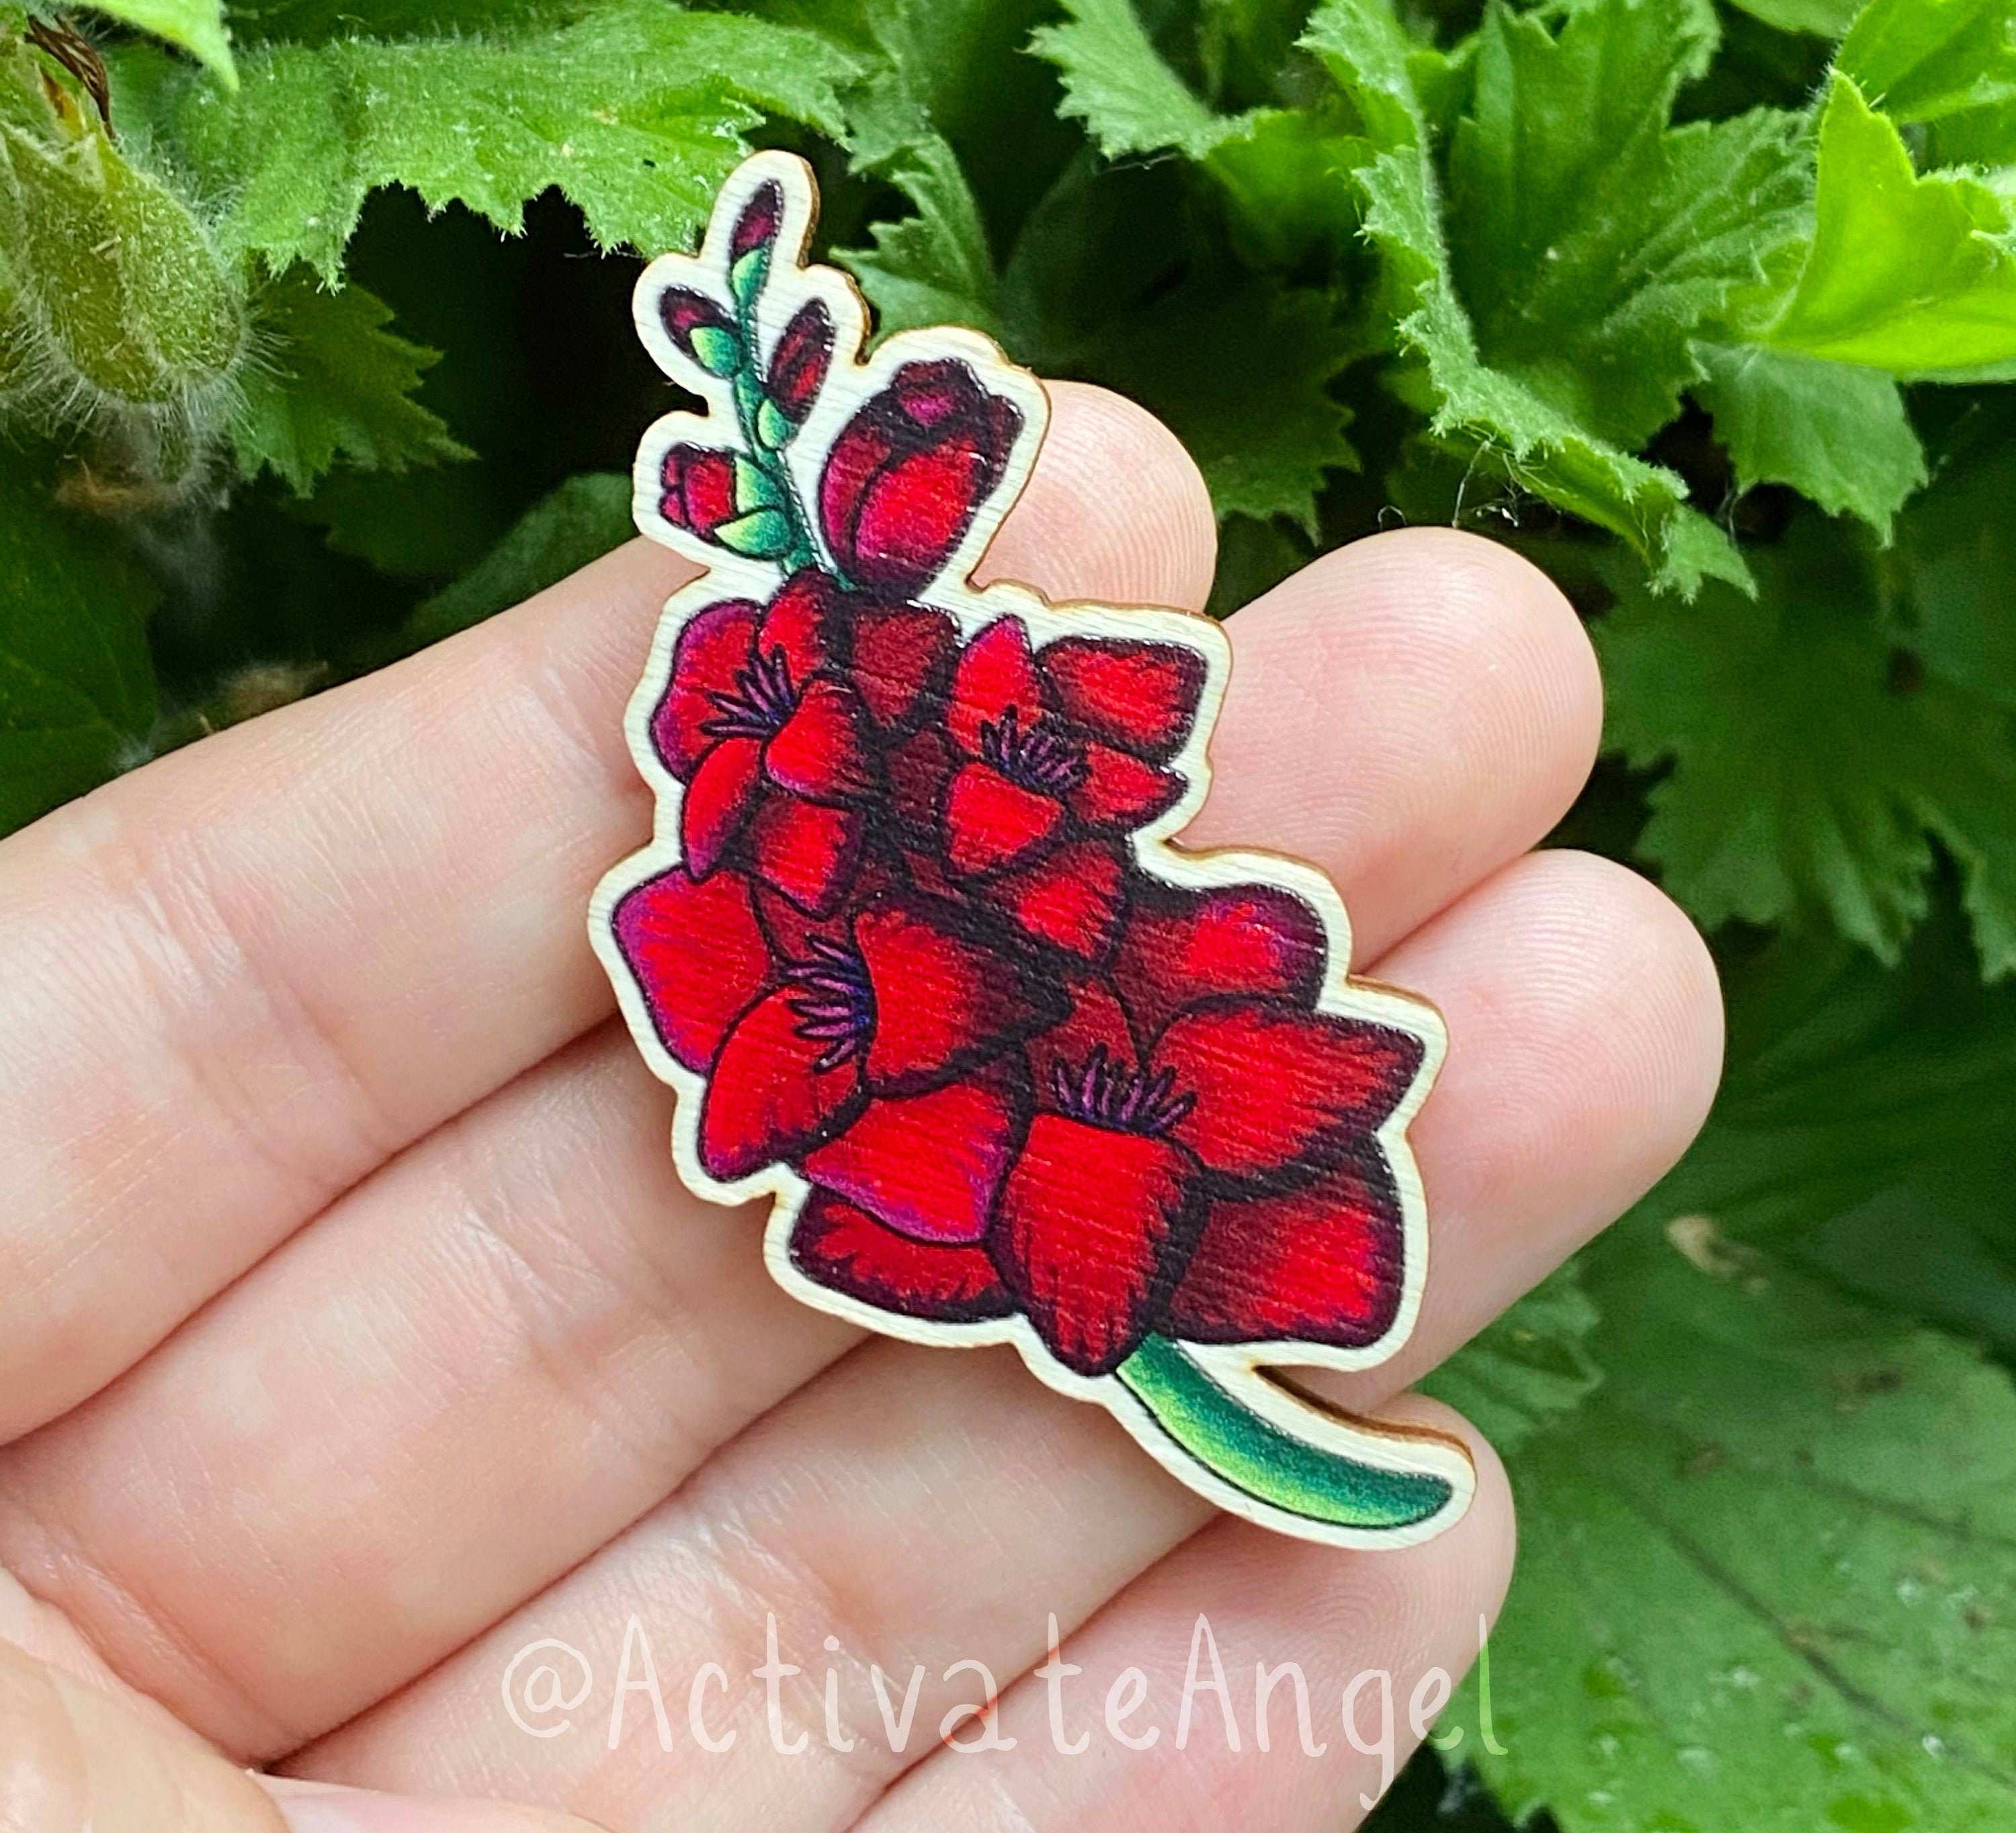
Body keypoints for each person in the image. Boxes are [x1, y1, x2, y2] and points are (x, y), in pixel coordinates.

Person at [0, 386, 1721, 1832]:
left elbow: (1197, 932)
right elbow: (780, 1061)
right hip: (996, 1113)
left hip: (1145, 1090)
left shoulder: (976, 746)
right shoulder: (788, 827)